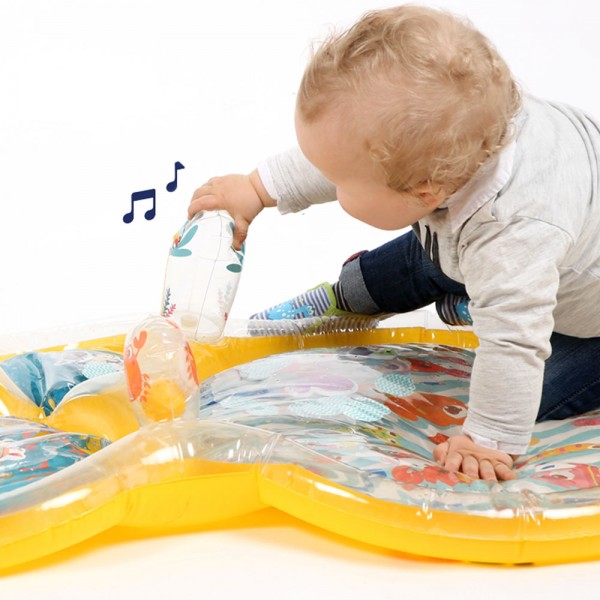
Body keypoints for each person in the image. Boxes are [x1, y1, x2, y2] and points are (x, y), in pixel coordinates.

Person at [187, 5, 600, 482]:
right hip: (524, 261)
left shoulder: (512, 235)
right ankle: (351, 297)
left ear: (425, 192)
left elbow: (513, 345)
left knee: (524, 391)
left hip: (587, 324)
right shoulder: (460, 133)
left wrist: (488, 439)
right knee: (423, 257)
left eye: (339, 182)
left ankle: (479, 305)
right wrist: (257, 189)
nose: (329, 181)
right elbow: (342, 153)